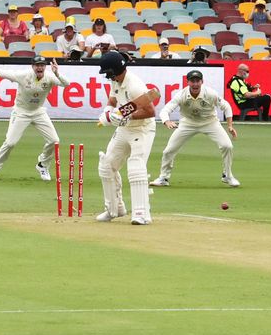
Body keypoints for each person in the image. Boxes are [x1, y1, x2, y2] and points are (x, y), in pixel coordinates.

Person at [0, 56, 67, 180]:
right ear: (33, 66)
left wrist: (57, 73)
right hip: (21, 112)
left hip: (38, 112)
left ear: (45, 67)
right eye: (37, 65)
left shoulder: (50, 77)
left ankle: (43, 164)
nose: (39, 67)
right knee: (10, 143)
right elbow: (0, 73)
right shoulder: (23, 75)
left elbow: (66, 84)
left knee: (54, 141)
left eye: (42, 65)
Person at [95, 51, 158, 225]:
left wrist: (127, 117)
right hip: (125, 129)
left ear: (116, 70)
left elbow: (150, 111)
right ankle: (114, 209)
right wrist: (107, 112)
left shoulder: (135, 85)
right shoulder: (115, 81)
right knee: (107, 164)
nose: (108, 77)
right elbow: (113, 99)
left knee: (135, 167)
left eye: (108, 73)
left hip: (142, 130)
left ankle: (141, 214)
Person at [150, 69, 239, 188]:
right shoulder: (181, 95)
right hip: (188, 123)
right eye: (192, 81)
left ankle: (227, 175)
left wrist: (230, 125)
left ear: (202, 82)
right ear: (188, 82)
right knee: (168, 151)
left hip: (210, 122)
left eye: (198, 81)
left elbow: (226, 107)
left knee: (227, 146)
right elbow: (165, 110)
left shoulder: (210, 93)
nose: (195, 84)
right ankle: (163, 178)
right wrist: (167, 121)